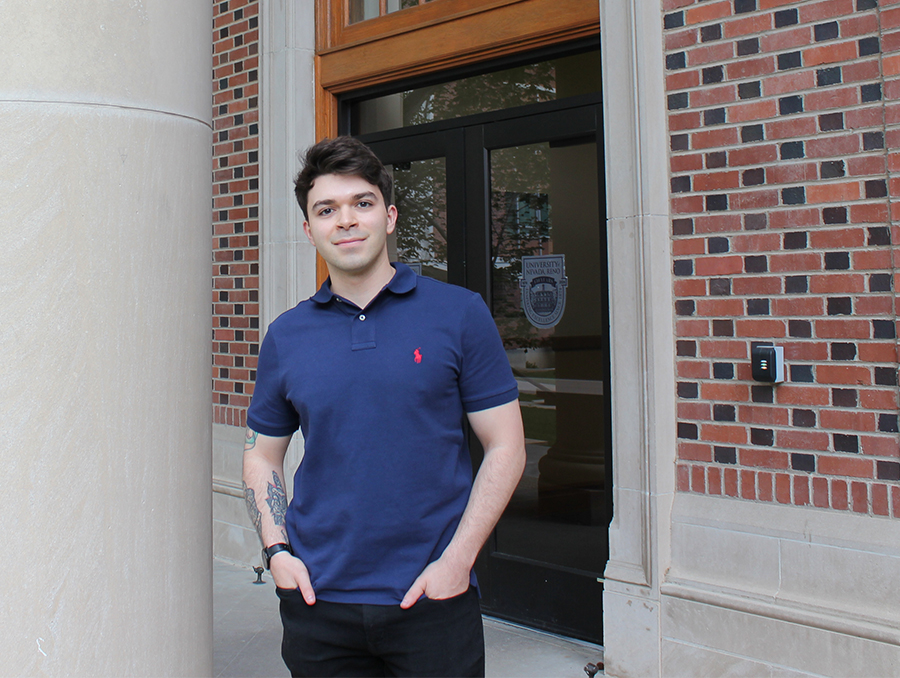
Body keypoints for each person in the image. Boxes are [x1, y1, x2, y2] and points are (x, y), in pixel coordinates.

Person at [241, 135, 526, 677]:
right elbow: (261, 455)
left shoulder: (459, 314)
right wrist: (278, 553)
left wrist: (457, 562)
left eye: (362, 203)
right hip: (318, 603)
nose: (345, 220)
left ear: (390, 217)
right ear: (309, 230)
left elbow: (507, 445)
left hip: (433, 599)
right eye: (327, 210)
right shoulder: (287, 335)